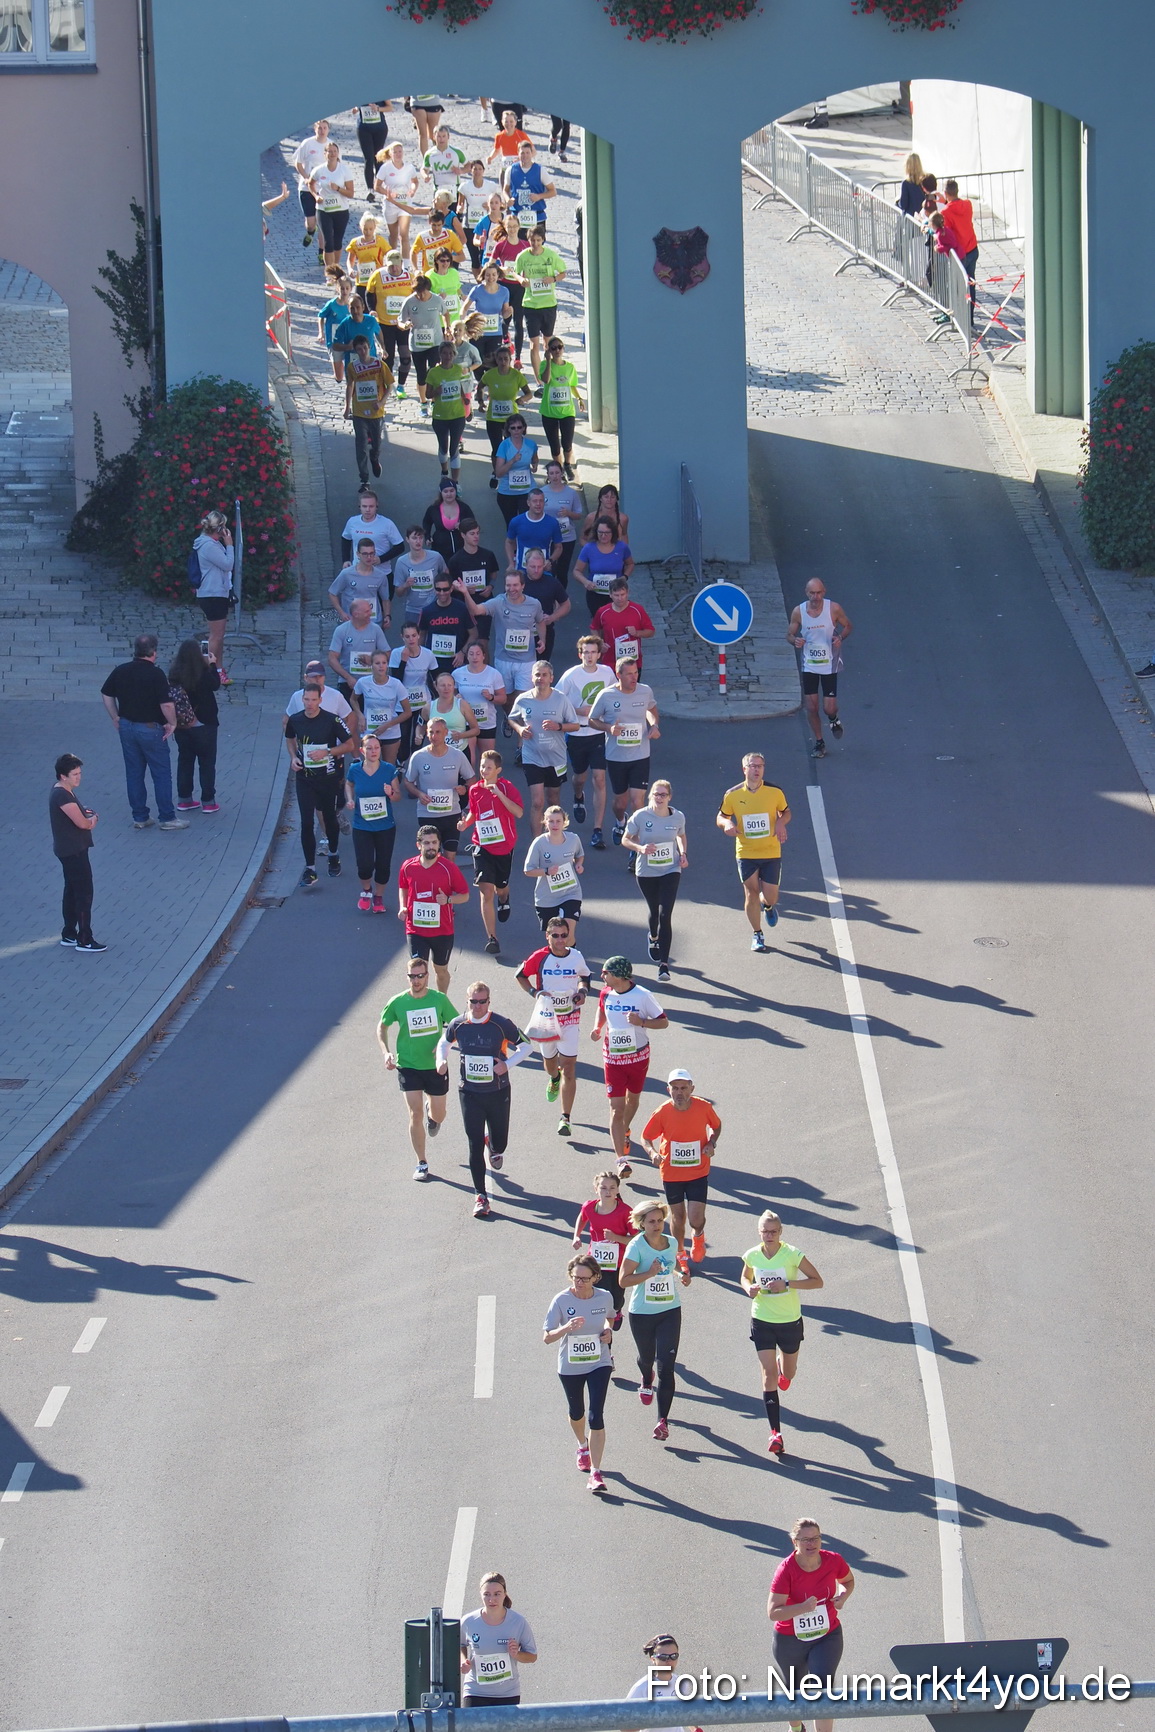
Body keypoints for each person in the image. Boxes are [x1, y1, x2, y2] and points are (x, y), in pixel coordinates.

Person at [438, 982, 532, 1218]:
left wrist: (507, 1065)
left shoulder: (501, 1024)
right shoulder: (458, 1024)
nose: (477, 1006)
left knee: (501, 1143)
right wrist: (441, 1060)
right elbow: (444, 1042)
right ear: (467, 1001)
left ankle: (494, 1145)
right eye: (473, 1001)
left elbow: (527, 1046)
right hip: (469, 1093)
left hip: (498, 1091)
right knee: (474, 1142)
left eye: (482, 1002)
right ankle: (481, 1196)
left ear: (489, 1002)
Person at [742, 1210, 824, 1460]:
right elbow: (745, 1276)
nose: (769, 1236)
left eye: (773, 1232)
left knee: (788, 1374)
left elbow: (817, 1281)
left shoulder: (792, 1254)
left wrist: (787, 1284)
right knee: (768, 1376)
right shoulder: (752, 1255)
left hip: (789, 1321)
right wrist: (749, 1288)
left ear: (780, 1232)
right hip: (762, 1320)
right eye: (765, 1232)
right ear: (759, 1232)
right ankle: (775, 1434)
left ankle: (783, 1367)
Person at [769, 1520, 854, 1730]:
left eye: (815, 1538)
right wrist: (803, 1607)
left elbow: (848, 1581)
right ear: (794, 1542)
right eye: (805, 1539)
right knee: (794, 1692)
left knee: (822, 1690)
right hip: (790, 1639)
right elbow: (773, 1612)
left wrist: (843, 1597)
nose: (811, 1543)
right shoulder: (786, 1570)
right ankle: (797, 1728)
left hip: (827, 1634)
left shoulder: (833, 1560)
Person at [378, 958, 457, 1181]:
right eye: (412, 976)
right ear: (407, 977)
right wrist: (386, 1052)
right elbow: (382, 1027)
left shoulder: (439, 1000)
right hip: (408, 1066)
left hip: (435, 1066)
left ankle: (434, 1116)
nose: (416, 981)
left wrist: (443, 1043)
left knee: (439, 1115)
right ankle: (422, 1162)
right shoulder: (398, 1002)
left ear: (427, 976)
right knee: (415, 1113)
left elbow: (456, 1025)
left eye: (420, 976)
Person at [543, 1253, 615, 1494]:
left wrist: (608, 1332)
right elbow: (547, 1337)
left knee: (596, 1415)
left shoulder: (604, 1297)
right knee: (577, 1412)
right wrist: (566, 1328)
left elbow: (610, 1318)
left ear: (595, 1277)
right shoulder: (561, 1300)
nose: (579, 1282)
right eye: (576, 1278)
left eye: (584, 1278)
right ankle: (582, 1445)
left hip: (599, 1362)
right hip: (570, 1366)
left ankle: (596, 1472)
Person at [100, 634, 187, 831]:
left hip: (127, 727)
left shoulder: (121, 670)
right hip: (150, 729)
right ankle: (167, 817)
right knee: (161, 774)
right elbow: (166, 705)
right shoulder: (156, 674)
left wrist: (115, 716)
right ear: (154, 652)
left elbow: (106, 693)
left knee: (134, 773)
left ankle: (140, 817)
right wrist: (172, 723)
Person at [590, 956, 667, 1176]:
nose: (602, 976)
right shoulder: (606, 992)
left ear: (618, 975)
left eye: (606, 973)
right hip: (613, 1058)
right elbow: (601, 1009)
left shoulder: (643, 995)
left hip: (638, 1057)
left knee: (632, 1100)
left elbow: (663, 1022)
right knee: (616, 1108)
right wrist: (597, 1027)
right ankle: (621, 1160)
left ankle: (624, 1130)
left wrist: (641, 1022)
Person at [620, 1200, 690, 1442]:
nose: (657, 1225)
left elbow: (671, 1266)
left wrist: (681, 1274)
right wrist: (649, 1273)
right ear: (641, 1224)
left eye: (660, 1220)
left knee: (666, 1366)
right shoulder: (636, 1246)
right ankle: (646, 1377)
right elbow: (623, 1280)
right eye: (651, 1221)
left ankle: (662, 1421)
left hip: (670, 1310)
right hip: (642, 1313)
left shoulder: (671, 1243)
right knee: (646, 1358)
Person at [642, 1068, 720, 1269]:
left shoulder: (704, 1107)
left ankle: (698, 1236)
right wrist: (652, 1153)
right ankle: (680, 1255)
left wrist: (711, 1142)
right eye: (675, 1088)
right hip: (671, 1173)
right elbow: (646, 1137)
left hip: (698, 1171)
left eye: (683, 1088)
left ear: (692, 1089)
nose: (679, 1092)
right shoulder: (662, 1112)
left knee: (696, 1219)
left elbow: (716, 1126)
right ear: (668, 1090)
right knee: (678, 1217)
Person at [517, 920, 591, 1133]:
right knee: (550, 1064)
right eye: (555, 935)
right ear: (547, 936)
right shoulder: (539, 957)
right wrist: (535, 992)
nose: (560, 940)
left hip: (570, 1019)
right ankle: (554, 1078)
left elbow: (585, 976)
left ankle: (565, 1118)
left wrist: (582, 992)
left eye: (563, 935)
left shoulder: (576, 956)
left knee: (569, 1067)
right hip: (547, 1019)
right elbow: (520, 976)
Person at [716, 751, 791, 952]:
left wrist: (781, 823)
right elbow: (721, 816)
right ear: (744, 769)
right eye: (753, 766)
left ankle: (768, 906)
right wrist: (726, 824)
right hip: (746, 852)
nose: (757, 770)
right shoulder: (732, 794)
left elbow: (786, 812)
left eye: (760, 766)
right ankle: (757, 933)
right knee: (751, 892)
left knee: (771, 896)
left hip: (770, 851)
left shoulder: (775, 792)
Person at [284, 684, 356, 888]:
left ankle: (333, 854)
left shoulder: (331, 720)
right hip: (305, 778)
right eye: (306, 699)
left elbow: (350, 745)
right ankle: (310, 868)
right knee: (307, 822)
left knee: (329, 818)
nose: (310, 704)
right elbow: (289, 738)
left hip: (328, 778)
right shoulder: (295, 719)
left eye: (313, 700)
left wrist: (328, 752)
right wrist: (293, 757)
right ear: (302, 700)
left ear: (320, 700)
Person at [587, 659, 660, 845]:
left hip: (640, 755)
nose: (634, 677)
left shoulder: (645, 691)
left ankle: (636, 842)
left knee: (637, 800)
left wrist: (654, 725)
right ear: (618, 675)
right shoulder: (606, 695)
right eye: (629, 674)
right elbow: (592, 720)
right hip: (616, 757)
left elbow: (651, 709)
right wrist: (609, 728)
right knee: (620, 803)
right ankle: (621, 821)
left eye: (636, 673)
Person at [459, 747, 523, 952]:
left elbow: (519, 812)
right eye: (482, 766)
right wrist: (465, 824)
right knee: (486, 891)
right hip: (482, 845)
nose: (484, 770)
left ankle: (504, 897)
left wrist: (499, 794)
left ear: (498, 770)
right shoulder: (475, 790)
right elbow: (474, 813)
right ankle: (492, 938)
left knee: (500, 887)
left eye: (488, 767)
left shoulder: (507, 788)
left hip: (504, 846)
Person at [622, 779, 686, 983]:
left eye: (663, 795)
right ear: (650, 796)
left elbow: (681, 836)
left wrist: (683, 853)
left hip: (671, 869)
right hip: (646, 872)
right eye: (656, 794)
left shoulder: (678, 817)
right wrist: (640, 848)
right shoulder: (641, 816)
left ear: (669, 797)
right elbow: (625, 839)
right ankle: (653, 936)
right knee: (654, 911)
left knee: (665, 914)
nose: (659, 798)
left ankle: (664, 965)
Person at [457, 568, 546, 714]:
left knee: (524, 697)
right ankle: (509, 717)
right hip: (504, 659)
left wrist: (542, 639)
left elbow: (540, 621)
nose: (512, 589)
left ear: (522, 586)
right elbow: (475, 611)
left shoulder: (534, 604)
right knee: (506, 698)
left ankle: (518, 721)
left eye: (515, 585)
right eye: (508, 585)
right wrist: (465, 593)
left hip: (526, 660)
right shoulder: (498, 602)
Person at [556, 635, 615, 848]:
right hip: (577, 733)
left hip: (598, 732)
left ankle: (598, 830)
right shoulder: (571, 675)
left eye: (593, 652)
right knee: (579, 777)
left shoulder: (607, 673)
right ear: (580, 654)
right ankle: (578, 795)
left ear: (599, 654)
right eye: (586, 652)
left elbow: (614, 696)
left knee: (599, 779)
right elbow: (557, 699)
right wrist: (577, 711)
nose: (589, 656)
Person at [397, 823, 470, 994]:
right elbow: (403, 886)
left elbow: (465, 895)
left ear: (439, 844)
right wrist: (403, 906)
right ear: (419, 845)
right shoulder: (408, 866)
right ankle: (423, 1004)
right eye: (427, 843)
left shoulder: (449, 868)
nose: (431, 847)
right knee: (419, 972)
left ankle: (441, 1001)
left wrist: (448, 900)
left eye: (434, 843)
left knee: (440, 970)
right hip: (415, 929)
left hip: (442, 930)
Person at [510, 662, 581, 835]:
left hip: (556, 758)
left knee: (553, 799)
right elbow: (512, 718)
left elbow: (575, 725)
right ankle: (537, 843)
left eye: (544, 675)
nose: (540, 678)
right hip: (532, 757)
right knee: (537, 802)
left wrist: (558, 726)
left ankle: (555, 837)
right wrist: (520, 729)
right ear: (532, 677)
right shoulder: (523, 699)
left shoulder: (561, 699)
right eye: (537, 675)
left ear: (551, 678)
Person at [786, 579, 852, 759]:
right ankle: (819, 742)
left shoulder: (833, 608)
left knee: (829, 708)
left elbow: (848, 626)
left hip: (829, 664)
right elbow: (789, 634)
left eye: (819, 593)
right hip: (809, 664)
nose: (815, 597)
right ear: (806, 593)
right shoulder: (799, 611)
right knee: (811, 707)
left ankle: (833, 718)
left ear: (824, 592)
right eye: (812, 593)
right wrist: (795, 640)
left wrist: (840, 638)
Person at [50, 753, 103, 952]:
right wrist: (93, 818)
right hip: (74, 851)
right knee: (84, 894)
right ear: (63, 776)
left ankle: (69, 933)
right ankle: (85, 939)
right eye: (74, 774)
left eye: (79, 773)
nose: (79, 777)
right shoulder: (62, 795)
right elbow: (83, 823)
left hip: (68, 850)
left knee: (72, 890)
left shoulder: (63, 791)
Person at [345, 731, 402, 913]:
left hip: (385, 827)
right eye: (369, 748)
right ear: (362, 751)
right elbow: (349, 784)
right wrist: (350, 799)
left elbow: (398, 796)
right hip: (362, 826)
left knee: (383, 865)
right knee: (364, 864)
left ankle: (378, 896)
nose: (374, 751)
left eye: (376, 747)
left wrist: (390, 793)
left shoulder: (388, 769)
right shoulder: (355, 769)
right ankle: (366, 890)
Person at [459, 1573, 537, 1704]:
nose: (492, 1599)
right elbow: (459, 1644)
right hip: (475, 1691)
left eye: (497, 1594)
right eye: (487, 1594)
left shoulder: (518, 1622)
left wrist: (516, 1654)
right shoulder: (469, 1621)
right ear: (481, 1594)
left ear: (505, 1594)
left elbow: (532, 1656)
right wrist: (463, 1661)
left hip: (508, 1693)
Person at [404, 715, 475, 855]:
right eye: (431, 732)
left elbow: (472, 778)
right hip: (427, 814)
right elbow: (408, 781)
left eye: (438, 732)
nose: (434, 736)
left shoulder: (457, 755)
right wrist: (419, 794)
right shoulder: (418, 757)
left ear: (445, 732)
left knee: (450, 857)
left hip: (451, 814)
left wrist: (465, 788)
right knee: (431, 855)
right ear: (426, 733)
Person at [169, 638, 222, 813]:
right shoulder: (204, 673)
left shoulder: (175, 674)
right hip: (205, 724)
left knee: (185, 760)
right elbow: (215, 684)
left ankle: (184, 799)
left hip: (182, 724)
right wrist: (212, 664)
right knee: (207, 763)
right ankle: (208, 801)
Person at [571, 1169, 631, 1322]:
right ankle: (599, 1319)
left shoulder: (625, 1211)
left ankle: (617, 1310)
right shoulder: (589, 1207)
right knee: (597, 1291)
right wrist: (576, 1235)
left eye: (612, 1188)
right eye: (603, 1188)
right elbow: (582, 1217)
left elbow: (636, 1239)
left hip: (618, 1261)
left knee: (616, 1297)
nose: (608, 1191)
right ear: (596, 1189)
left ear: (617, 1190)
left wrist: (615, 1237)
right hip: (596, 1260)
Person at [523, 805, 584, 948]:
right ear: (545, 822)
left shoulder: (573, 839)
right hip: (547, 898)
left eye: (558, 821)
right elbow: (528, 870)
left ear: (564, 822)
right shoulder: (539, 843)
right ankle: (557, 958)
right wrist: (546, 871)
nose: (555, 825)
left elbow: (580, 855)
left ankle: (571, 958)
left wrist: (579, 865)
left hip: (570, 892)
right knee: (555, 938)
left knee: (567, 933)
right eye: (551, 821)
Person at [512, 224, 565, 380]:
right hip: (531, 305)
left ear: (543, 240)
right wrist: (521, 280)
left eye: (538, 240)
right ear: (528, 240)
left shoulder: (551, 255)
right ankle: (538, 380)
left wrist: (553, 279)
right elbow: (515, 272)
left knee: (548, 343)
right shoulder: (523, 256)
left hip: (548, 304)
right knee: (533, 343)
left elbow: (563, 273)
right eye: (532, 240)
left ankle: (548, 373)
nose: (535, 244)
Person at [343, 334, 392, 488]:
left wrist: (381, 402)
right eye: (359, 349)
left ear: (369, 347)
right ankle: (364, 479)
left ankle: (375, 458)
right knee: (361, 446)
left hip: (376, 412)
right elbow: (350, 386)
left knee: (376, 444)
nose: (363, 352)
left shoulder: (380, 365)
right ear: (355, 351)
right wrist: (347, 407)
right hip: (359, 412)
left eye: (365, 348)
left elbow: (390, 385)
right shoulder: (352, 367)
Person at [190, 509, 234, 674]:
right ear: (219, 528)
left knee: (219, 635)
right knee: (215, 636)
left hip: (215, 593)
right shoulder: (208, 546)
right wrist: (229, 545)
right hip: (212, 594)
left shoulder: (211, 543)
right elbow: (228, 564)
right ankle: (205, 670)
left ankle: (218, 669)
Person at [366, 250, 416, 394]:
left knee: (405, 357)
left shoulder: (410, 277)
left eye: (396, 265)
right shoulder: (377, 275)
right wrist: (372, 310)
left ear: (402, 263)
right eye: (390, 266)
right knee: (388, 358)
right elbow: (368, 294)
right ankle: (387, 385)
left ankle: (401, 385)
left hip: (403, 324)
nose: (394, 268)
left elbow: (416, 296)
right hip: (384, 323)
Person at [446, 523, 501, 653]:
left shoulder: (488, 555)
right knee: (466, 641)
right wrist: (462, 589)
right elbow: (450, 583)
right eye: (472, 534)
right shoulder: (455, 560)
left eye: (477, 533)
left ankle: (485, 666)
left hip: (484, 603)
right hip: (464, 606)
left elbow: (494, 573)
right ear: (463, 535)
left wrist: (490, 586)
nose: (476, 537)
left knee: (482, 643)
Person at [398, 276, 449, 414]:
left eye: (423, 292)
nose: (421, 295)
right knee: (421, 375)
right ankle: (423, 403)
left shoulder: (437, 300)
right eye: (418, 292)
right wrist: (405, 325)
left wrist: (447, 328)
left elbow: (446, 313)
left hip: (435, 343)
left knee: (434, 372)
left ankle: (434, 401)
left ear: (428, 289)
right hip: (417, 345)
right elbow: (400, 321)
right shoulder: (409, 301)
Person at [353, 649, 411, 764]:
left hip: (390, 732)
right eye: (377, 663)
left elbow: (407, 712)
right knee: (370, 765)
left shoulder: (396, 684)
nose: (381, 666)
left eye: (384, 663)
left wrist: (387, 725)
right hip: (370, 731)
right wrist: (360, 715)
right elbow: (353, 699)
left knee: (389, 767)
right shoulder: (363, 682)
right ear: (371, 665)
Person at [388, 623, 438, 757]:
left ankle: (416, 762)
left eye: (414, 635)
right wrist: (403, 661)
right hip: (403, 703)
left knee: (418, 736)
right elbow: (396, 680)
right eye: (407, 636)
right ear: (402, 637)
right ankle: (401, 762)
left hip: (422, 702)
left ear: (419, 636)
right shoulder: (396, 653)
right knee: (403, 737)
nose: (411, 639)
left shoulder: (428, 654)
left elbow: (436, 678)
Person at [454, 639, 506, 768]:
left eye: (478, 654)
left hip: (486, 722)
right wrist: (456, 697)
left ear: (483, 656)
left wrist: (491, 697)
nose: (474, 657)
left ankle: (485, 782)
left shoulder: (494, 674)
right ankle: (470, 781)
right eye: (471, 654)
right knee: (469, 760)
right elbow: (450, 694)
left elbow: (503, 699)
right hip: (466, 722)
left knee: (488, 761)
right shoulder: (457, 674)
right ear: (467, 656)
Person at [538, 337, 585, 478]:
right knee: (554, 445)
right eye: (553, 348)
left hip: (567, 411)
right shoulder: (544, 364)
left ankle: (567, 464)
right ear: (549, 351)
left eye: (559, 347)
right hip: (549, 412)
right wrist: (548, 361)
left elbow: (572, 385)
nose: (557, 350)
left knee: (567, 443)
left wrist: (579, 398)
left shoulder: (570, 367)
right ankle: (558, 470)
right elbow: (546, 380)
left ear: (563, 348)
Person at [424, 341, 470, 480]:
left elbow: (460, 385)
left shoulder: (458, 370)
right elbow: (427, 394)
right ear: (440, 354)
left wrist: (464, 398)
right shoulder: (433, 372)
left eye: (450, 353)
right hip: (440, 416)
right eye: (445, 353)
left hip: (457, 415)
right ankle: (444, 471)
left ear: (454, 355)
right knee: (444, 447)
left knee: (454, 448)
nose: (448, 356)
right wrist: (436, 392)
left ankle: (455, 482)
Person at [328, 597, 391, 700]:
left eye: (370, 610)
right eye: (367, 611)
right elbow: (332, 658)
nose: (370, 613)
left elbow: (387, 652)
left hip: (371, 681)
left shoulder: (376, 629)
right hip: (348, 683)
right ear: (356, 614)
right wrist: (348, 678)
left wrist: (373, 660)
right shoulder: (341, 630)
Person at [573, 514, 634, 619]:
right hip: (595, 594)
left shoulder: (621, 547)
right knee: (599, 622)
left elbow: (630, 564)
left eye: (607, 533)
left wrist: (625, 577)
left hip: (617, 593)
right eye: (600, 532)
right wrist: (586, 582)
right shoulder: (588, 548)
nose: (603, 536)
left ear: (613, 532)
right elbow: (577, 571)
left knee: (616, 620)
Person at [591, 575, 654, 675]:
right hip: (610, 662)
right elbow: (594, 628)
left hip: (633, 663)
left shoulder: (637, 610)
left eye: (622, 594)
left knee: (632, 685)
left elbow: (651, 631)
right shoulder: (602, 612)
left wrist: (637, 633)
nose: (620, 598)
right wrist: (600, 643)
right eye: (616, 595)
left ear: (628, 593)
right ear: (610, 595)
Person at [340, 489, 404, 585]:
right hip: (358, 572)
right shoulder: (352, 522)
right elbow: (346, 539)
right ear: (359, 506)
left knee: (385, 595)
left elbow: (400, 546)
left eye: (371, 506)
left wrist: (381, 559)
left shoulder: (387, 524)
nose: (367, 510)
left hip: (382, 573)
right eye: (364, 506)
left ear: (376, 506)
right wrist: (346, 560)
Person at [309, 140, 355, 270]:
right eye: (330, 152)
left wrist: (338, 189)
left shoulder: (344, 170)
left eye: (335, 151)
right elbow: (310, 184)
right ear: (325, 154)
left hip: (341, 210)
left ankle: (336, 268)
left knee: (337, 242)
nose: (332, 154)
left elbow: (351, 193)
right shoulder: (319, 170)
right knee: (328, 242)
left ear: (338, 153)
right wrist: (316, 196)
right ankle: (329, 272)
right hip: (324, 210)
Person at [519, 547, 570, 664]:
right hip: (520, 632)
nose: (536, 570)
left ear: (544, 565)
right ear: (526, 565)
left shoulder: (552, 582)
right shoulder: (518, 582)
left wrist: (552, 617)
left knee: (541, 666)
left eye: (539, 567)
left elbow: (566, 605)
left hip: (544, 632)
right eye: (533, 567)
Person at [625, 1636, 690, 1726]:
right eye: (663, 1657)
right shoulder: (642, 1687)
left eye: (673, 1656)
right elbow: (625, 1725)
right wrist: (652, 1720)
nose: (669, 1661)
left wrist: (695, 1729)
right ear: (653, 1659)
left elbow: (686, 1713)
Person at [419, 572, 475, 676]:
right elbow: (421, 636)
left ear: (451, 589)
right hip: (434, 662)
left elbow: (474, 634)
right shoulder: (427, 611)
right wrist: (422, 658)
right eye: (438, 589)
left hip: (456, 662)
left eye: (445, 589)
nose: (442, 593)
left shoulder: (462, 608)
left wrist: (462, 652)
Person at [394, 524, 449, 629]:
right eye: (414, 538)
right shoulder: (401, 562)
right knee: (414, 637)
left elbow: (446, 576)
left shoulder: (436, 557)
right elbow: (398, 593)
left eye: (420, 538)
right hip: (413, 610)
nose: (418, 541)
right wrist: (405, 585)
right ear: (407, 539)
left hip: (435, 607)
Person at [539, 459, 584, 587]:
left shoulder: (571, 493)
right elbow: (535, 512)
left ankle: (562, 596)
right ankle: (549, 595)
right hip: (548, 538)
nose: (555, 476)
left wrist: (568, 513)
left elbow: (579, 515)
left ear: (562, 473)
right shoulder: (542, 492)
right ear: (548, 475)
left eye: (557, 473)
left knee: (562, 571)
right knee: (549, 569)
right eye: (551, 473)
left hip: (567, 537)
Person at [330, 537, 393, 626]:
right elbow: (332, 594)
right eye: (365, 554)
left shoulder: (380, 576)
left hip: (373, 621)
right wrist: (342, 613)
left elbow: (385, 599)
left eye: (371, 553)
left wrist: (387, 616)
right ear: (358, 554)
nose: (369, 557)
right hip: (352, 622)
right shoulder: (346, 574)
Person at [373, 142, 420, 257]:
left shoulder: (409, 168)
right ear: (390, 154)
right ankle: (393, 259)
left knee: (404, 235)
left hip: (405, 205)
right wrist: (388, 193)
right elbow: (377, 186)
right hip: (391, 205)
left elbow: (415, 181)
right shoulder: (385, 168)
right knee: (393, 235)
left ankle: (406, 264)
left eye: (400, 152)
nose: (398, 154)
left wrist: (413, 190)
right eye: (395, 152)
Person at [493, 413, 540, 525]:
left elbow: (535, 459)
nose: (516, 431)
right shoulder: (504, 445)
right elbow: (498, 473)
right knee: (512, 525)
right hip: (507, 492)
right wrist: (512, 461)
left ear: (524, 428)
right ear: (508, 430)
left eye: (519, 427)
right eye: (513, 428)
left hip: (527, 490)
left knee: (527, 523)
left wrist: (535, 465)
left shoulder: (531, 444)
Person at [291, 118, 330, 254]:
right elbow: (298, 163)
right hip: (306, 188)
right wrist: (307, 178)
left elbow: (337, 165)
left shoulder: (331, 146)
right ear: (315, 129)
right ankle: (310, 231)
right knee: (311, 223)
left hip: (324, 190)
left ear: (328, 130)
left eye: (324, 128)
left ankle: (321, 253)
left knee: (323, 223)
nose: (322, 131)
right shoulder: (307, 144)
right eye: (319, 128)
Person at [286, 659, 357, 731]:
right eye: (314, 676)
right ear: (306, 678)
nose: (317, 679)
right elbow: (287, 719)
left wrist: (343, 736)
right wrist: (294, 737)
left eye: (320, 676)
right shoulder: (296, 696)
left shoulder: (336, 696)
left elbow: (351, 718)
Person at [463, 262, 512, 365]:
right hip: (478, 333)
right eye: (488, 275)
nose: (491, 278)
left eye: (494, 274)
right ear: (483, 275)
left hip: (495, 333)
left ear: (498, 275)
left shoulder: (504, 291)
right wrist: (464, 325)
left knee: (493, 364)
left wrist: (509, 313)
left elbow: (504, 314)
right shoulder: (477, 290)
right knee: (477, 363)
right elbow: (464, 309)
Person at [942, 178, 979, 317]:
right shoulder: (968, 204)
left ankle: (960, 317)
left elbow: (947, 234)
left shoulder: (946, 212)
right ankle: (970, 316)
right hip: (972, 247)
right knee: (970, 284)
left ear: (945, 193)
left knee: (958, 286)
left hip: (960, 253)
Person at [505, 489, 563, 577]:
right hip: (522, 571)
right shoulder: (516, 521)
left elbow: (559, 547)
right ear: (528, 503)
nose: (538, 504)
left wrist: (550, 561)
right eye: (535, 501)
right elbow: (509, 542)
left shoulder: (552, 523)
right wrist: (511, 563)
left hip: (543, 571)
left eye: (541, 501)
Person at [422, 476, 478, 562]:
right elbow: (426, 522)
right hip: (440, 548)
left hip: (461, 548)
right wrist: (427, 536)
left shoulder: (464, 508)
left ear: (456, 491)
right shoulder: (433, 508)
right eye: (445, 491)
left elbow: (473, 524)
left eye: (452, 491)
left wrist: (463, 526)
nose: (449, 494)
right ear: (441, 493)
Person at [507, 141, 556, 239]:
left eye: (527, 153)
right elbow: (505, 189)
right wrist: (507, 199)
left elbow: (553, 191)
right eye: (522, 153)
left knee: (537, 246)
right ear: (518, 153)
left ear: (532, 153)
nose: (525, 156)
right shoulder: (511, 170)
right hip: (517, 217)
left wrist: (539, 196)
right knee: (517, 245)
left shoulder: (540, 170)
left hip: (537, 216)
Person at [428, 667, 480, 754]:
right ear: (436, 686)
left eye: (449, 685)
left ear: (453, 686)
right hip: (437, 753)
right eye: (443, 685)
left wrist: (461, 735)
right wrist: (419, 735)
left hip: (460, 752)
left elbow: (476, 730)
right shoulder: (429, 707)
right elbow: (421, 726)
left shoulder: (462, 705)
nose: (446, 688)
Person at [458, 159, 498, 271]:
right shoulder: (464, 187)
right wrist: (459, 209)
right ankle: (479, 280)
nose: (477, 172)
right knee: (475, 259)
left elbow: (501, 205)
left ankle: (487, 278)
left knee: (486, 256)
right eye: (475, 169)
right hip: (469, 226)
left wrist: (490, 206)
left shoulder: (491, 186)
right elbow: (460, 204)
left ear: (483, 171)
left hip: (486, 225)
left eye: (480, 169)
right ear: (471, 171)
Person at [318, 270, 354, 382]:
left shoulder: (353, 304)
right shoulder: (331, 304)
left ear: (351, 289)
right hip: (334, 342)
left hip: (349, 341)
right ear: (337, 288)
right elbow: (321, 316)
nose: (344, 291)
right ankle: (338, 372)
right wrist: (321, 333)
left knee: (352, 373)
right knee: (339, 377)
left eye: (347, 288)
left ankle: (350, 387)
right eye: (342, 288)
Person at [352, 101, 389, 200]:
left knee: (378, 158)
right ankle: (370, 190)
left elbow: (390, 107)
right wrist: (356, 108)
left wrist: (378, 109)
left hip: (380, 129)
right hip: (363, 129)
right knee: (368, 159)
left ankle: (380, 186)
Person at [344, 210, 388, 294]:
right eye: (365, 229)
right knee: (359, 301)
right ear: (360, 228)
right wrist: (350, 269)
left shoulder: (380, 240)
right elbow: (350, 259)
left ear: (374, 227)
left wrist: (386, 266)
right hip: (362, 281)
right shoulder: (355, 243)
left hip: (377, 280)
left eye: (371, 229)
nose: (368, 232)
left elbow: (390, 254)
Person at [423, 123, 466, 200]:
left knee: (453, 208)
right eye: (439, 136)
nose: (441, 139)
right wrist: (425, 176)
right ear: (434, 137)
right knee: (439, 208)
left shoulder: (456, 152)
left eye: (444, 136)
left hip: (454, 188)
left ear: (448, 137)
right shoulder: (429, 154)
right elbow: (424, 168)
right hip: (438, 188)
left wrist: (461, 171)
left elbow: (469, 165)